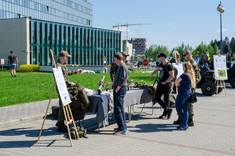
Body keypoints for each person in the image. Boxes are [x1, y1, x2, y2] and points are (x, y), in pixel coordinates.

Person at [56, 51, 90, 132]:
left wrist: (76, 71)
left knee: (64, 105)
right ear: (63, 57)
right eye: (67, 57)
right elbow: (59, 79)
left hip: (65, 87)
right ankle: (60, 125)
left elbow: (66, 73)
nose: (67, 59)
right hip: (62, 87)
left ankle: (60, 123)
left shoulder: (63, 65)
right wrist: (69, 83)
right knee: (63, 105)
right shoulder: (57, 66)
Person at [174, 49, 201, 126]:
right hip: (184, 86)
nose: (183, 57)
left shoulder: (193, 64)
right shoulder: (188, 63)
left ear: (189, 54)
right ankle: (181, 118)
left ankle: (190, 120)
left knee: (189, 104)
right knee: (182, 103)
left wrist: (190, 84)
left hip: (189, 87)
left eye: (184, 55)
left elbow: (197, 77)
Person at [105, 52, 129, 135]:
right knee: (120, 109)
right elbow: (118, 79)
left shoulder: (122, 67)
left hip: (119, 90)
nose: (114, 62)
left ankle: (122, 128)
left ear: (118, 59)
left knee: (117, 109)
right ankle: (122, 126)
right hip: (119, 89)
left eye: (115, 60)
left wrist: (117, 89)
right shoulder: (121, 66)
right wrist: (111, 84)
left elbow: (122, 80)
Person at [150, 53, 174, 119]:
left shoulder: (169, 65)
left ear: (163, 57)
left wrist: (166, 81)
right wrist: (152, 74)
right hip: (160, 83)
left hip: (166, 84)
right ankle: (167, 109)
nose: (159, 58)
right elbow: (157, 69)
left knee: (166, 99)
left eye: (159, 57)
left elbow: (172, 75)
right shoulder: (161, 64)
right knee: (157, 97)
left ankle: (166, 114)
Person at [175, 62, 195, 130]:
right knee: (185, 109)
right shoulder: (190, 75)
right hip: (188, 93)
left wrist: (178, 84)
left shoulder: (184, 75)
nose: (182, 68)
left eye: (183, 67)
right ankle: (185, 124)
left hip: (182, 93)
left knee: (178, 108)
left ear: (186, 67)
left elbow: (176, 82)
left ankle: (184, 122)